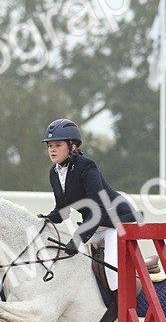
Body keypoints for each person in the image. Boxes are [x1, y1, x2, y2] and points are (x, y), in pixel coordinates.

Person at [39, 118, 137, 291]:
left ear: (73, 147)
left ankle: (123, 311)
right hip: (96, 225)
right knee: (68, 261)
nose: (52, 150)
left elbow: (99, 208)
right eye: (50, 146)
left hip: (118, 222)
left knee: (111, 272)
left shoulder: (86, 166)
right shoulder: (54, 173)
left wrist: (78, 238)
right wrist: (45, 219)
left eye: (58, 145)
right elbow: (62, 209)